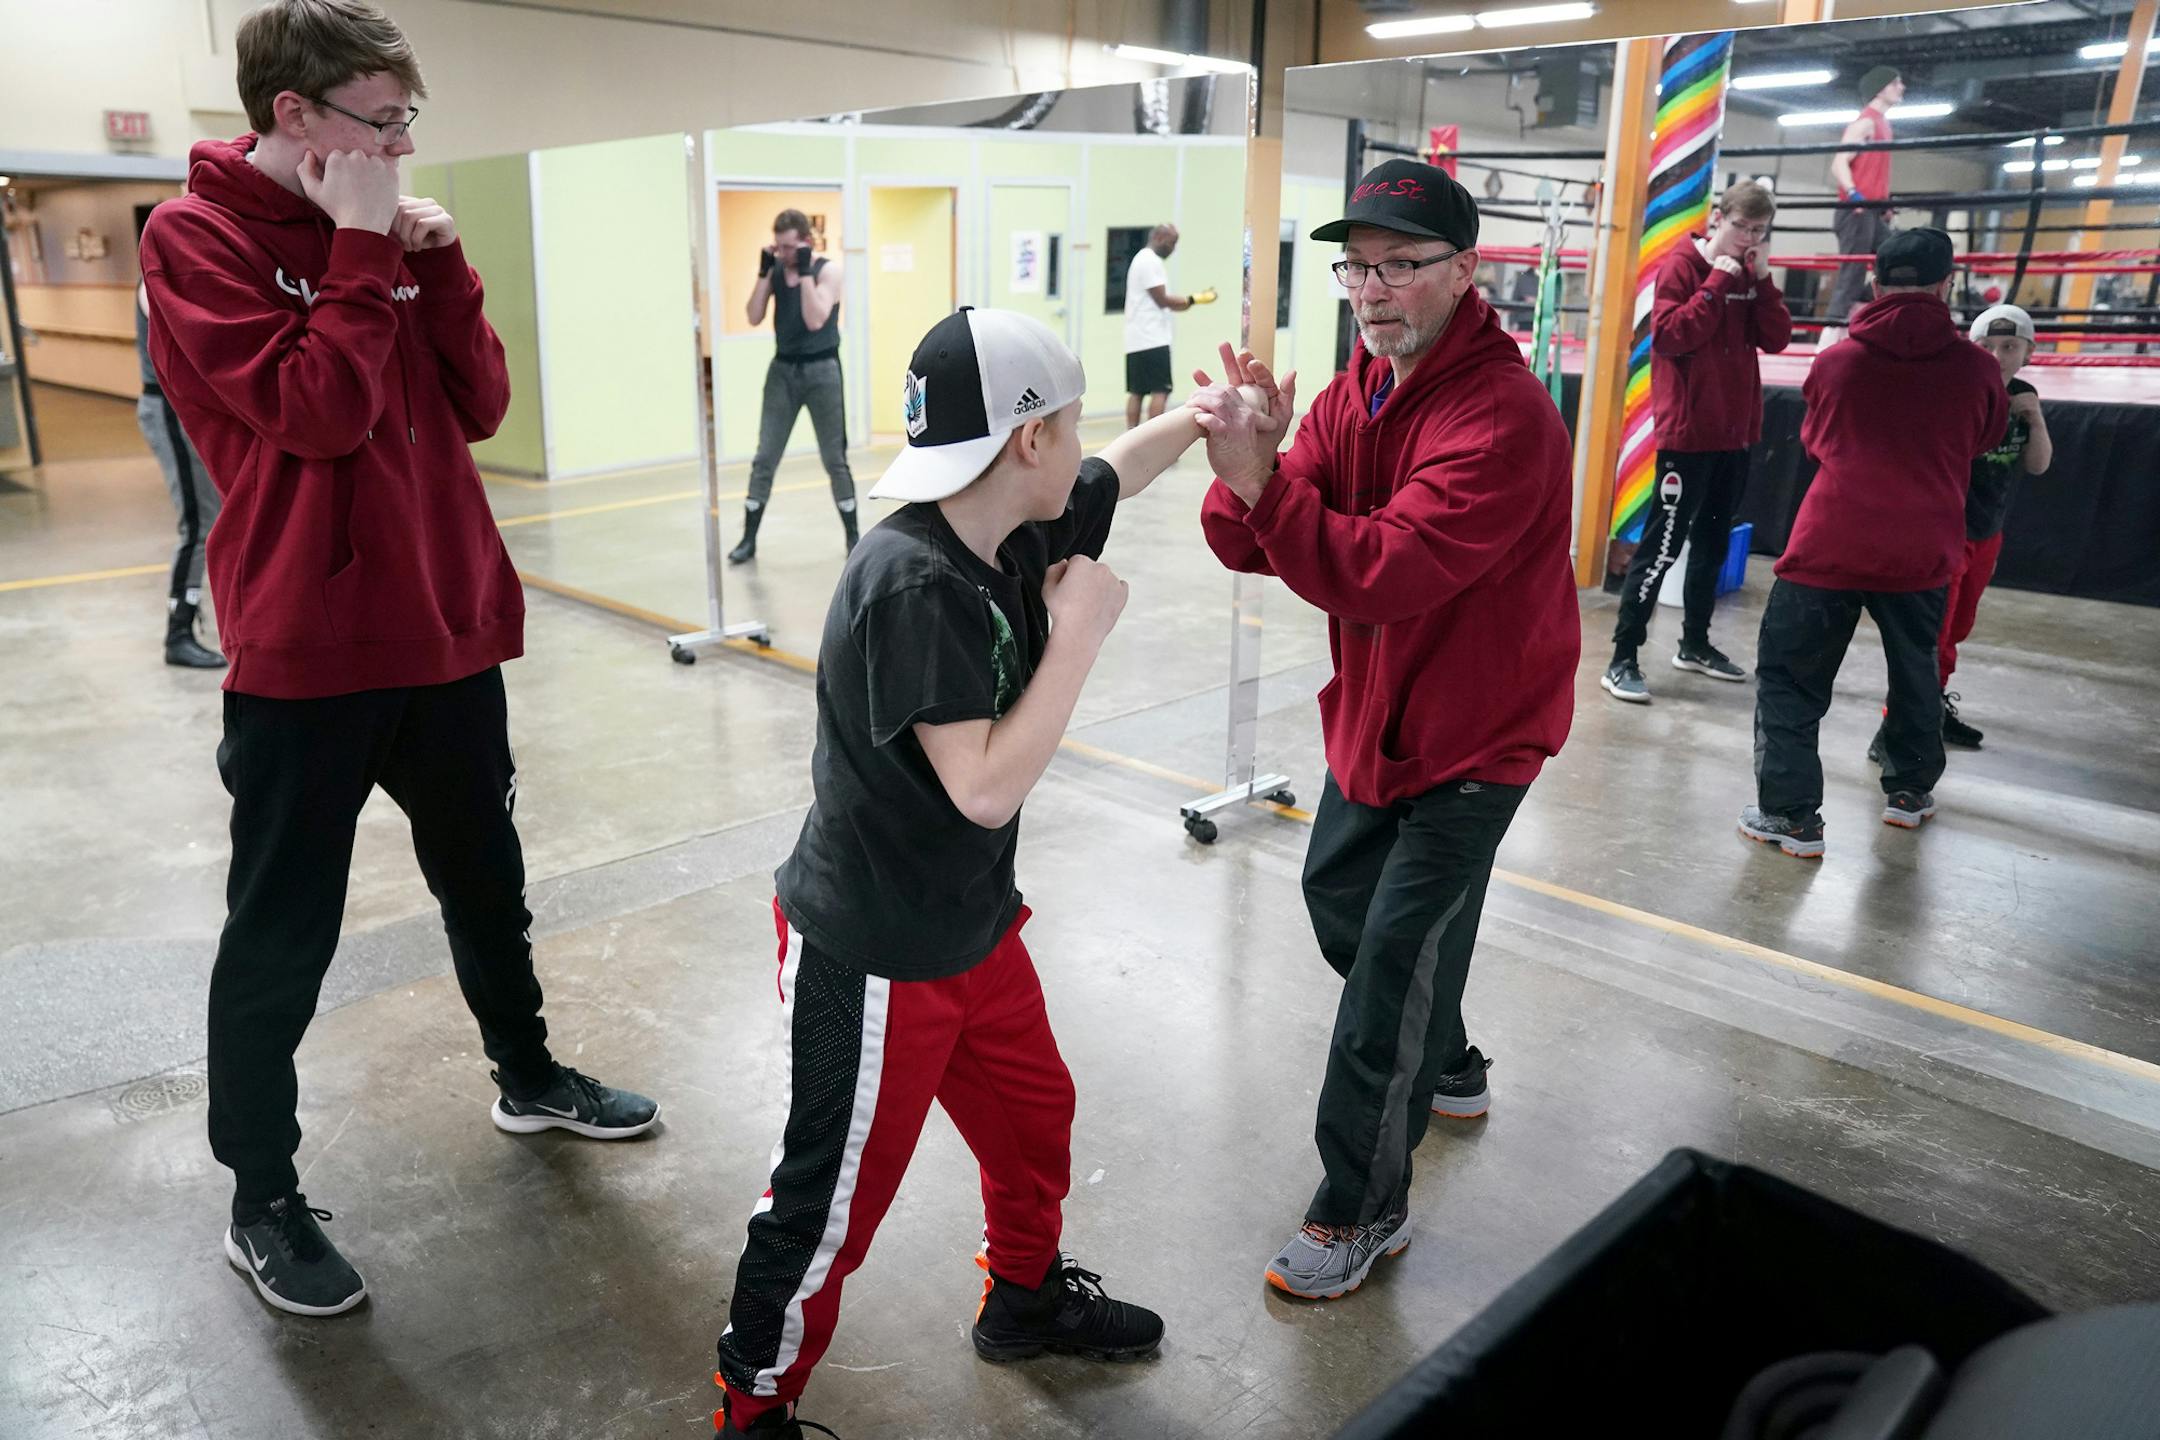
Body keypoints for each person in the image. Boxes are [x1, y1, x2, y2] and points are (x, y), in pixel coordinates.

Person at [138, 0, 657, 1319]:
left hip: (444, 634)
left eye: (410, 118)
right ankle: (261, 1198)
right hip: (306, 656)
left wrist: (443, 262)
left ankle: (528, 1077)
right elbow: (316, 413)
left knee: (490, 881)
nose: (403, 145)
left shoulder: (382, 227)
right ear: (295, 118)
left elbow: (478, 401)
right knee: (282, 939)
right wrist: (364, 248)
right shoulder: (193, 241)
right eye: (383, 121)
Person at [714, 307, 1214, 1437]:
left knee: (1037, 1121)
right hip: (877, 952)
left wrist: (1197, 416)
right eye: (1072, 420)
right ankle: (750, 1412)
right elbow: (983, 786)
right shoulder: (912, 581)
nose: (1087, 440)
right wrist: (1078, 639)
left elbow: (1114, 475)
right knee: (829, 1206)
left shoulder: (1010, 526)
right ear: (1028, 438)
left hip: (974, 927)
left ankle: (1025, 1301)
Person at [1193, 158, 1578, 1301]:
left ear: (1465, 271)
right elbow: (1245, 539)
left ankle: (1360, 1209)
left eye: (1402, 267)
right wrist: (1252, 468)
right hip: (1375, 720)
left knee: (1382, 990)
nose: (1372, 290)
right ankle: (1451, 1058)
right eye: (1358, 267)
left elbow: (1381, 573)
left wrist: (1265, 485)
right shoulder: (1352, 394)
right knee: (1343, 914)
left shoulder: (1502, 417)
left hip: (1478, 741)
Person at [1741, 229, 2006, 859]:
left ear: (1877, 284)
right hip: (1924, 544)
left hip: (1831, 540)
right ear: (1947, 284)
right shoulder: (1977, 369)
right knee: (1917, 671)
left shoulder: (1837, 362)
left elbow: (1816, 440)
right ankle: (1909, 793)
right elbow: (1986, 438)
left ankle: (1792, 818)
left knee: (1790, 679)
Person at [1603, 180, 1792, 703]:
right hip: (1687, 437)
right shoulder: (1683, 266)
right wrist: (1715, 281)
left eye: (1759, 231)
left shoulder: (1751, 271)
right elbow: (1669, 336)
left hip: (1734, 435)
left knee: (1712, 545)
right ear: (1718, 219)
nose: (1748, 238)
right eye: (1740, 227)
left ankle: (1694, 644)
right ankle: (1622, 656)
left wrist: (1764, 278)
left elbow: (1775, 338)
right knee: (1662, 548)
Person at [1870, 303, 2051, 755]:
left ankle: (1930, 710)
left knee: (1957, 629)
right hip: (1946, 530)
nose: (1997, 355)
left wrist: (2035, 418)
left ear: (2028, 351)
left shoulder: (2025, 395)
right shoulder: (1956, 391)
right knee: (1932, 632)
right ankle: (1894, 728)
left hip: (1988, 531)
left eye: (2009, 346)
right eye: (1986, 346)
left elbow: (2039, 464)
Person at [730, 208, 854, 563]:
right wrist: (763, 273)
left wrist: (802, 273)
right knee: (765, 456)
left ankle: (852, 536)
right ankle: (748, 539)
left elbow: (815, 319)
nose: (781, 253)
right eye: (777, 247)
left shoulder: (827, 271)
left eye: (787, 247)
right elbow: (753, 315)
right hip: (783, 371)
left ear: (805, 242)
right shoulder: (776, 270)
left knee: (834, 458)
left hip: (822, 371)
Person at [133, 205, 225, 670]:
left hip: (189, 409)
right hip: (168, 407)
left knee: (215, 518)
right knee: (199, 522)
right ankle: (179, 631)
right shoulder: (157, 277)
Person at [1825, 66, 1903, 324]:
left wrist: (1885, 201)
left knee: (1897, 260)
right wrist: (1853, 193)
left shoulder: (1884, 124)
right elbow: (1839, 162)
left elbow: (1874, 170)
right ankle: (1828, 337)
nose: (1901, 88)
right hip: (1856, 209)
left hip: (1872, 210)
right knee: (1852, 274)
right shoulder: (1866, 122)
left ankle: (1878, 322)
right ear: (1881, 89)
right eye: (1896, 83)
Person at [1122, 223, 1214, 429]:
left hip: (1136, 339)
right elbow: (1162, 300)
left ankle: (1131, 436)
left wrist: (1190, 302)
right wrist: (1193, 300)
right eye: (1172, 243)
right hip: (1152, 338)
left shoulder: (1140, 259)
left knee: (1137, 391)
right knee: (1160, 391)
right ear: (1161, 238)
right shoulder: (1150, 261)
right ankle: (1152, 439)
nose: (1173, 249)